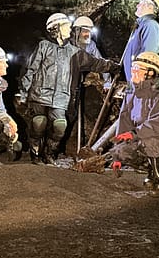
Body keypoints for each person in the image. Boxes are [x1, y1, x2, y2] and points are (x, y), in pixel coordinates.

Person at [17, 12, 118, 164]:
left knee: (60, 126)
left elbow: (95, 63)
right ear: (56, 29)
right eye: (66, 26)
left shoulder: (74, 52)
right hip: (39, 94)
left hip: (61, 97)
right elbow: (30, 69)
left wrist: (114, 66)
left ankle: (49, 154)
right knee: (39, 123)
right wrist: (24, 93)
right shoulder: (44, 46)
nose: (69, 29)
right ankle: (35, 153)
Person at [109, 52, 159, 197]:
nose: (133, 71)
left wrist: (134, 134)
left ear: (150, 73)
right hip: (143, 138)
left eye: (137, 68)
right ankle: (151, 170)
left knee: (150, 142)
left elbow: (158, 124)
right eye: (133, 67)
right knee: (122, 150)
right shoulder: (132, 93)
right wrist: (117, 157)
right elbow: (124, 122)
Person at [120, 0, 159, 82]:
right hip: (134, 82)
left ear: (150, 7)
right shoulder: (141, 25)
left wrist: (139, 84)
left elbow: (147, 59)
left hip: (140, 83)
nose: (137, 6)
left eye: (141, 3)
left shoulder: (151, 25)